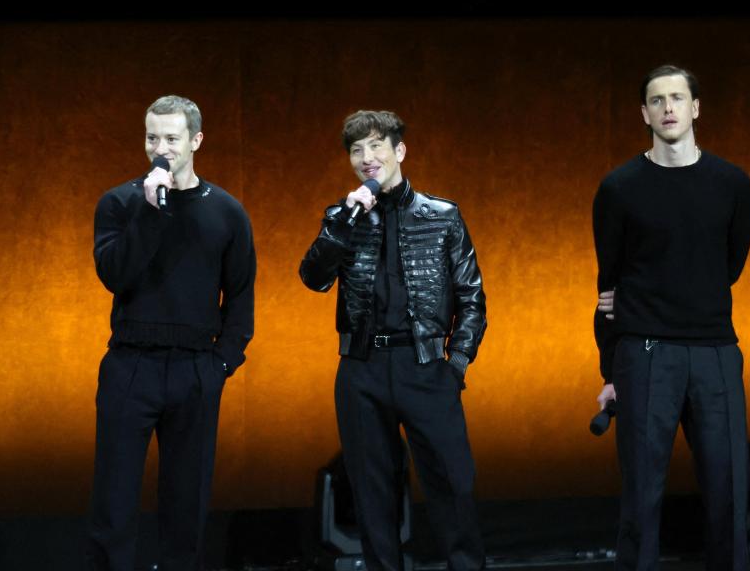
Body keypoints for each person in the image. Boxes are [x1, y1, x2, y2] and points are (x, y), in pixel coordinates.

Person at [300, 110, 487, 571]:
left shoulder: (442, 216)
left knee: (453, 486)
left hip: (425, 366)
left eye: (376, 145)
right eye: (357, 150)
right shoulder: (341, 217)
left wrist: (456, 363)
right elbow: (313, 277)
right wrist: (344, 222)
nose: (367, 157)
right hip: (361, 369)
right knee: (372, 494)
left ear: (399, 151)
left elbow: (472, 297)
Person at [593, 65, 750, 570]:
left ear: (695, 107)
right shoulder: (619, 187)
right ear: (644, 113)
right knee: (641, 498)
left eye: (677, 98)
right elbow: (609, 282)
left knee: (729, 492)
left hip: (715, 351)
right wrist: (610, 370)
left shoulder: (731, 183)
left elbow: (730, 266)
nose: (668, 108)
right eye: (657, 100)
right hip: (645, 353)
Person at [88, 95, 256, 571]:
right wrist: (149, 210)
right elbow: (114, 275)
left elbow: (240, 296)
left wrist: (221, 364)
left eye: (171, 139)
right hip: (130, 365)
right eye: (151, 138)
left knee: (186, 503)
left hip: (195, 369)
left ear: (196, 141)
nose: (160, 149)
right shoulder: (120, 203)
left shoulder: (227, 211)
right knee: (113, 500)